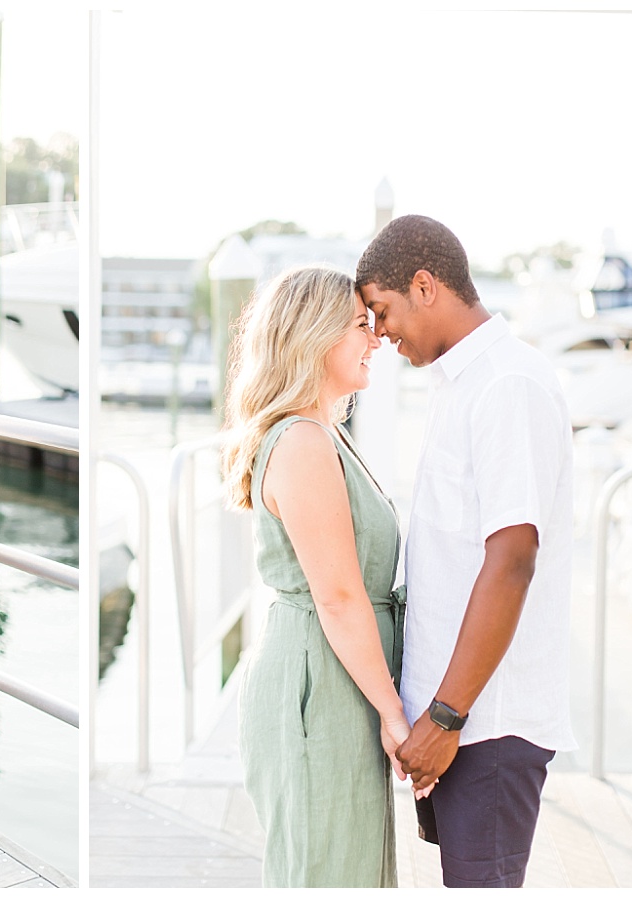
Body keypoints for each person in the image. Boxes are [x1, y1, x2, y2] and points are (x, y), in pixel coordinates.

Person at [356, 214, 576, 888]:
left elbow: (511, 559)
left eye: (382, 310)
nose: (378, 332)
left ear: (425, 287)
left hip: (486, 724)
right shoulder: (460, 385)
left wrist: (446, 717)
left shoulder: (508, 384)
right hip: (457, 721)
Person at [222, 265, 411, 887]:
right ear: (316, 334)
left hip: (337, 675)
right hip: (319, 682)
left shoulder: (322, 432)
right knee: (328, 871)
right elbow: (336, 595)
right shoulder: (302, 441)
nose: (377, 337)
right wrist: (393, 712)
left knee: (345, 865)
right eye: (362, 325)